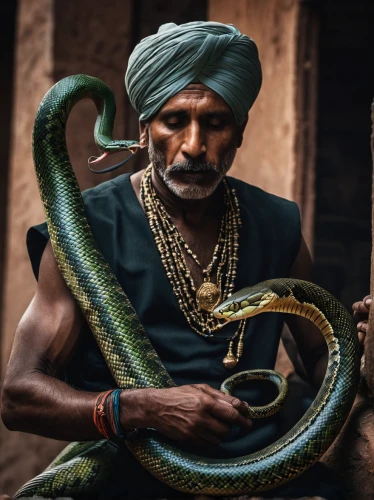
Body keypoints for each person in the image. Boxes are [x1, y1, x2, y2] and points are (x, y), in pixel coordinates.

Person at [1, 22, 351, 500]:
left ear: (240, 131)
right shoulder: (84, 229)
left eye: (215, 122)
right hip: (128, 481)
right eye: (173, 121)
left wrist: (358, 344)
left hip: (261, 479)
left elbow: (318, 360)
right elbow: (19, 397)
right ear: (143, 130)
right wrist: (142, 409)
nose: (193, 146)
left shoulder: (276, 223)